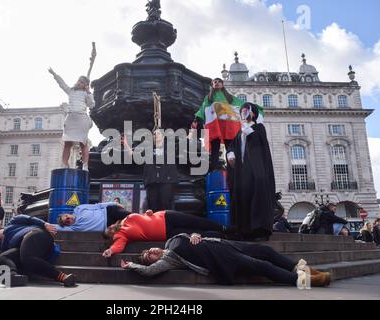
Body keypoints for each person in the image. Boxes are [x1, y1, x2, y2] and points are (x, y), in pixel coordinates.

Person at [121, 233, 331, 288]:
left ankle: (304, 269)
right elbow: (149, 272)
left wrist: (193, 234)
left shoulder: (171, 241)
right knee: (262, 266)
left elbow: (189, 234)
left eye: (149, 250)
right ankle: (305, 281)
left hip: (223, 243)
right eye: (148, 257)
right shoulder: (170, 260)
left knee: (265, 250)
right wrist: (132, 264)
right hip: (221, 259)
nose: (151, 253)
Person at [0, 215, 76, 287]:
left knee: (25, 256)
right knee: (3, 257)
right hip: (30, 251)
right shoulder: (4, 245)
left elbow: (28, 218)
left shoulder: (13, 222)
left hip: (36, 235)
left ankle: (62, 276)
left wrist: (44, 224)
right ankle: (12, 276)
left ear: (0, 229)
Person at [227, 103, 275, 240]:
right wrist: (231, 155)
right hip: (242, 172)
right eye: (242, 111)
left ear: (252, 113)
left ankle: (259, 230)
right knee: (243, 199)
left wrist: (245, 127)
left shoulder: (258, 128)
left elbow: (257, 142)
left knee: (257, 198)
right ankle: (243, 230)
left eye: (246, 111)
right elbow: (232, 147)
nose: (243, 113)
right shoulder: (239, 132)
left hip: (255, 172)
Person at [102, 210, 229, 258]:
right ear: (111, 236)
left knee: (197, 222)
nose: (111, 227)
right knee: (197, 234)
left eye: (109, 227)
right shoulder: (120, 235)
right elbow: (119, 245)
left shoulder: (126, 218)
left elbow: (143, 216)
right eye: (109, 231)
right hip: (167, 233)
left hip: (165, 216)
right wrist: (111, 251)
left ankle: (223, 228)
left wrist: (148, 212)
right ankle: (224, 236)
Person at [192, 78, 245, 172]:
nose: (216, 83)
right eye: (214, 82)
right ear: (212, 85)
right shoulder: (208, 98)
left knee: (230, 148)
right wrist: (196, 119)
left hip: (228, 126)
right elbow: (202, 109)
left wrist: (252, 107)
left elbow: (240, 104)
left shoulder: (229, 98)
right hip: (216, 126)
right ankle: (214, 169)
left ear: (222, 84)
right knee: (215, 148)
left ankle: (232, 171)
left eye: (218, 82)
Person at [49, 67, 94, 171]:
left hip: (81, 118)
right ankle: (64, 164)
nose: (79, 83)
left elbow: (92, 105)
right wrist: (54, 74)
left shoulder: (86, 94)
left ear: (85, 85)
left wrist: (89, 92)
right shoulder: (71, 91)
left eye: (82, 82)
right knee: (67, 143)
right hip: (71, 118)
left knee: (83, 143)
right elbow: (62, 83)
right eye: (79, 80)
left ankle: (85, 166)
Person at [123, 130, 178, 212]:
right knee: (152, 206)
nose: (155, 135)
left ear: (163, 137)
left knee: (166, 206)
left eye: (158, 133)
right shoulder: (148, 150)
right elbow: (134, 156)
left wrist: (192, 133)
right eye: (154, 134)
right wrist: (125, 144)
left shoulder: (170, 148)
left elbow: (185, 143)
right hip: (152, 182)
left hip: (166, 181)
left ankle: (166, 223)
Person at [57, 202, 131, 232]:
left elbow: (97, 205)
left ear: (67, 213)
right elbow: (55, 227)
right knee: (130, 227)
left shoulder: (78, 209)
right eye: (67, 221)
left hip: (108, 212)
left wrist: (114, 203)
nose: (69, 218)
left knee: (132, 217)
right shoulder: (74, 228)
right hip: (109, 225)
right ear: (67, 225)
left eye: (67, 216)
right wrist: (45, 224)